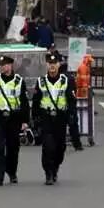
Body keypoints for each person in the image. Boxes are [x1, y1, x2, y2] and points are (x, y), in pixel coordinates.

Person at [0, 55, 29, 186]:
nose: (1, 67)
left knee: (13, 148)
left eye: (4, 65)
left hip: (14, 118)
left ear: (10, 66)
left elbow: (24, 102)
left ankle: (12, 172)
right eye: (0, 65)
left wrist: (25, 121)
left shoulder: (19, 81)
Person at [31, 52, 76, 185]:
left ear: (58, 65)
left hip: (61, 118)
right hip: (46, 118)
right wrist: (35, 119)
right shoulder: (41, 81)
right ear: (47, 65)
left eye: (54, 63)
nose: (52, 66)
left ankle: (55, 167)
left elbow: (71, 100)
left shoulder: (67, 81)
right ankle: (48, 173)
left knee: (60, 147)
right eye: (50, 64)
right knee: (48, 146)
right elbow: (36, 102)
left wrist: (72, 116)